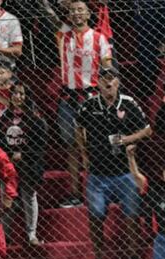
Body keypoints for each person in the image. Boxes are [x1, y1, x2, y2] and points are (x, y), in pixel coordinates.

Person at [75, 63, 151, 259]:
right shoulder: (88, 105)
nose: (108, 82)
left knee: (131, 216)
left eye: (112, 78)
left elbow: (147, 130)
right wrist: (84, 154)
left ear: (118, 82)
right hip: (98, 173)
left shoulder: (128, 103)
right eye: (104, 78)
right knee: (95, 217)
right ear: (98, 83)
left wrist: (127, 139)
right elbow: (78, 127)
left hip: (125, 171)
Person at [56, 0, 112, 208]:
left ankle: (101, 190)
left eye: (81, 9)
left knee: (95, 145)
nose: (76, 13)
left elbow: (108, 67)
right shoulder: (63, 35)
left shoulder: (99, 38)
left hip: (91, 97)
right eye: (73, 10)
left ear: (89, 14)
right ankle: (74, 193)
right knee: (71, 147)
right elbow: (49, 16)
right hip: (69, 97)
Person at [0, 79, 48, 246]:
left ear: (27, 96)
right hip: (7, 166)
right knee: (6, 198)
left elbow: (39, 144)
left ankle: (31, 234)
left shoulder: (35, 119)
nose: (18, 96)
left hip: (28, 166)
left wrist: (24, 154)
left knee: (29, 197)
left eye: (22, 93)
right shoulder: (2, 119)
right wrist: (7, 155)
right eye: (15, 93)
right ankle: (4, 235)